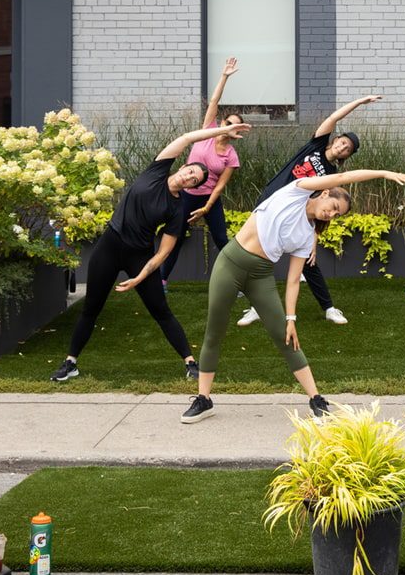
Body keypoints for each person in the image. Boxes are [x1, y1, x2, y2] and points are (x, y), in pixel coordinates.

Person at [181, 166, 405, 424]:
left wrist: (291, 318)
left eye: (337, 215)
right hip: (230, 264)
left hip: (260, 274)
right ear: (324, 193)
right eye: (334, 206)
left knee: (286, 336)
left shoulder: (307, 235)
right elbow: (342, 177)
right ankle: (204, 399)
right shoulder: (297, 191)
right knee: (215, 330)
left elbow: (294, 279)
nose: (332, 214)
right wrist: (382, 174)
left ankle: (316, 399)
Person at [49, 119, 252, 383]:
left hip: (139, 256)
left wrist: (140, 277)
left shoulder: (177, 210)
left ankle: (190, 363)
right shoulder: (156, 170)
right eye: (190, 171)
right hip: (109, 246)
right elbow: (188, 137)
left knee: (161, 310)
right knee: (91, 308)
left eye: (195, 180)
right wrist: (224, 131)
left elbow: (163, 254)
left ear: (193, 187)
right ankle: (70, 363)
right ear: (184, 167)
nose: (189, 177)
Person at [236, 94, 382, 328]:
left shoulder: (330, 178)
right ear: (335, 140)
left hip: (295, 215)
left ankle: (329, 308)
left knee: (309, 264)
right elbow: (334, 117)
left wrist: (312, 241)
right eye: (342, 142)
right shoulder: (315, 145)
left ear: (346, 156)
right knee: (259, 256)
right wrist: (359, 102)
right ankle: (256, 307)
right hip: (270, 202)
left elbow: (321, 210)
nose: (343, 147)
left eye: (348, 149)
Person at [161, 57, 244, 288]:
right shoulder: (207, 130)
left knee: (222, 240)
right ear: (223, 121)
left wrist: (207, 207)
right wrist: (224, 76)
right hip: (186, 197)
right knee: (175, 237)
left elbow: (220, 185)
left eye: (235, 125)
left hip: (210, 200)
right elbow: (215, 101)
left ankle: (234, 283)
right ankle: (162, 280)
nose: (230, 125)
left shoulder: (231, 155)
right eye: (228, 121)